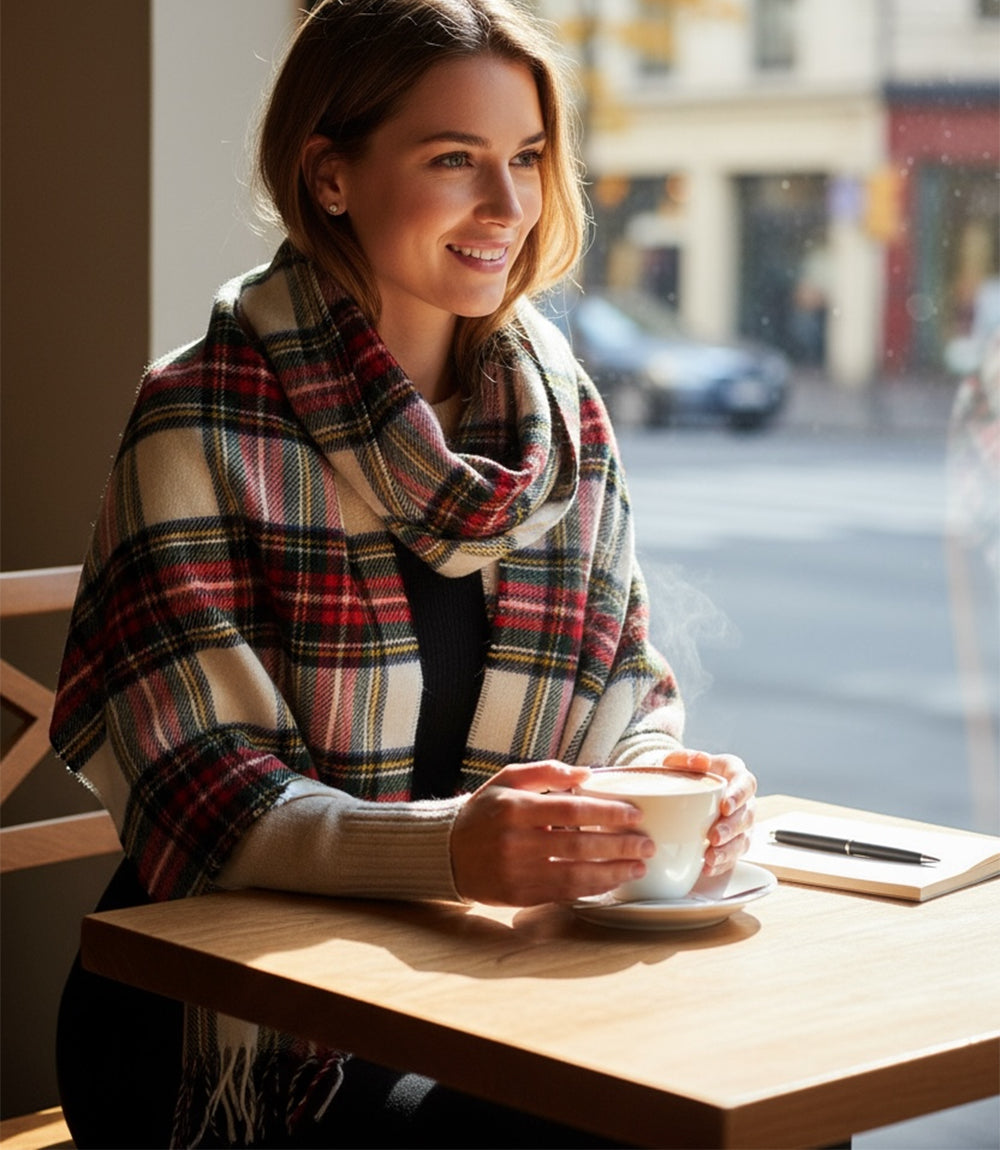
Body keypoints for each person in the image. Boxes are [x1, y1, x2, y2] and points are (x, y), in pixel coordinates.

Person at [50, 2, 756, 1146]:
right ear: (329, 175)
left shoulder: (560, 417)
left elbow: (622, 678)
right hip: (226, 1019)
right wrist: (448, 848)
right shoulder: (200, 414)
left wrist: (654, 787)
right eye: (453, 160)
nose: (509, 205)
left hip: (473, 977)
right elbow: (203, 788)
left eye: (526, 158)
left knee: (757, 1103)